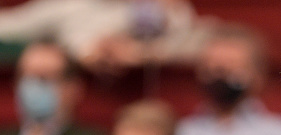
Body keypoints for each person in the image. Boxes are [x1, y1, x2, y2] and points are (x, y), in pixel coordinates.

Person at [0, 0, 212, 76]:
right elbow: (11, 26)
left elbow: (198, 39)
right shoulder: (64, 6)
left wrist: (143, 53)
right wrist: (92, 53)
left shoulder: (166, 11)